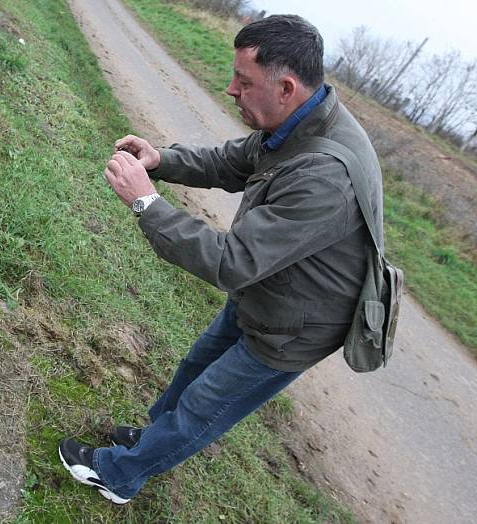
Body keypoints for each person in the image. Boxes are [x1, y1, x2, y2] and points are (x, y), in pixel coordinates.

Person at [59, 14, 384, 504]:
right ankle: (150, 442)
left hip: (294, 326)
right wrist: (161, 160)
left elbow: (230, 260)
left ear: (286, 87)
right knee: (195, 368)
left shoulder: (325, 174)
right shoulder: (300, 120)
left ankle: (119, 475)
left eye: (244, 81)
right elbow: (232, 161)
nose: (230, 89)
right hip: (267, 286)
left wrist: (147, 202)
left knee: (205, 406)